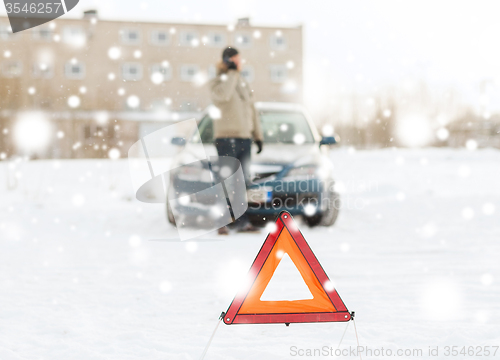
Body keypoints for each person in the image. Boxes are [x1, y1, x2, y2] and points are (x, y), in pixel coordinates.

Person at [209, 46, 263, 234]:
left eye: (239, 60)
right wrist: (231, 73)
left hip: (244, 138)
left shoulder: (243, 82)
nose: (240, 63)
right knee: (226, 181)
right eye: (235, 60)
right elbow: (223, 96)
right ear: (227, 61)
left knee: (242, 182)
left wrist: (258, 135)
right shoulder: (217, 82)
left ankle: (241, 222)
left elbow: (252, 109)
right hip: (225, 138)